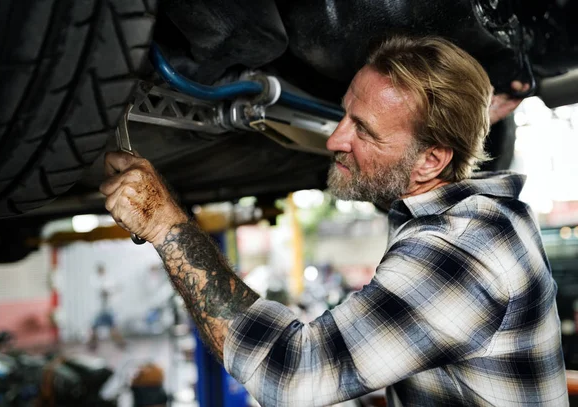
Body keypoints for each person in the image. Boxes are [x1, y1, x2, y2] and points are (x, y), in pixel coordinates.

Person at [100, 35, 568, 406]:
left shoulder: (464, 253)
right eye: (345, 114)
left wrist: (164, 224)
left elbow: (293, 375)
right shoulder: (476, 218)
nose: (335, 140)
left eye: (363, 129)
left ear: (430, 161)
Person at [87, 264, 126, 350]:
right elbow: (103, 292)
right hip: (99, 309)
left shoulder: (108, 279)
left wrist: (113, 290)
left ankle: (121, 344)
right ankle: (92, 345)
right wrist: (111, 290)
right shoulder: (95, 280)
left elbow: (112, 289)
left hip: (108, 309)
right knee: (95, 328)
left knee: (113, 327)